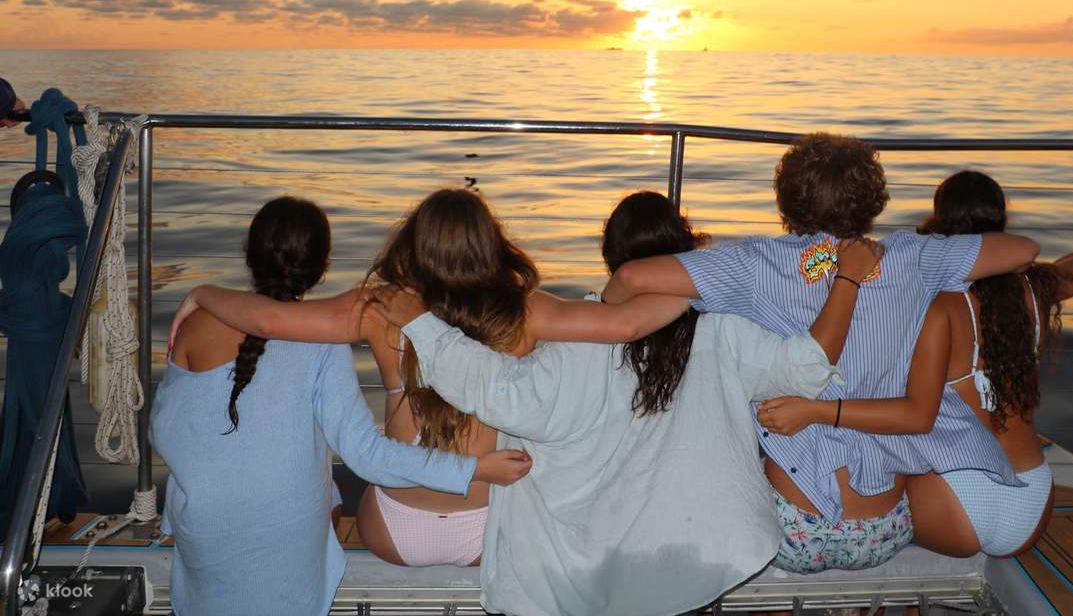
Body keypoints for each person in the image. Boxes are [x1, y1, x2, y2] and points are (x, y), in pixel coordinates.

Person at [369, 190, 862, 616]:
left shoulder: (575, 346)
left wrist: (424, 327)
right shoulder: (726, 330)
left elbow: (499, 395)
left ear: (611, 260)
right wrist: (846, 281)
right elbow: (807, 367)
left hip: (593, 570)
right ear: (685, 250)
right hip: (701, 557)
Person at [168, 188, 689, 567]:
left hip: (393, 531)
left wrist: (204, 293)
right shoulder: (523, 311)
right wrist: (707, 286)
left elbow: (269, 320)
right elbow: (628, 323)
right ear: (490, 244)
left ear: (414, 245)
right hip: (486, 530)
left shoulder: (381, 307)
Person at [602, 133, 1041, 572]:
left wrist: (608, 306)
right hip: (886, 528)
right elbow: (1024, 250)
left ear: (786, 200)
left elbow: (630, 280)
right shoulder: (913, 257)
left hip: (794, 531)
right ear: (873, 199)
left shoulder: (757, 263)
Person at [152, 196, 531, 616]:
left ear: (248, 251)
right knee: (328, 485)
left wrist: (203, 293)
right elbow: (364, 454)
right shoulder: (523, 313)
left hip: (228, 530)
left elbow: (166, 430)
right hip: (471, 530)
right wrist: (476, 469)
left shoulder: (194, 327)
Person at [757, 170, 1073, 557]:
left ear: (939, 219)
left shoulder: (934, 300)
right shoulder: (1032, 291)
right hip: (1033, 502)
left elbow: (914, 412)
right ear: (1001, 221)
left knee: (878, 484)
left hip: (957, 501)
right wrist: (1042, 272)